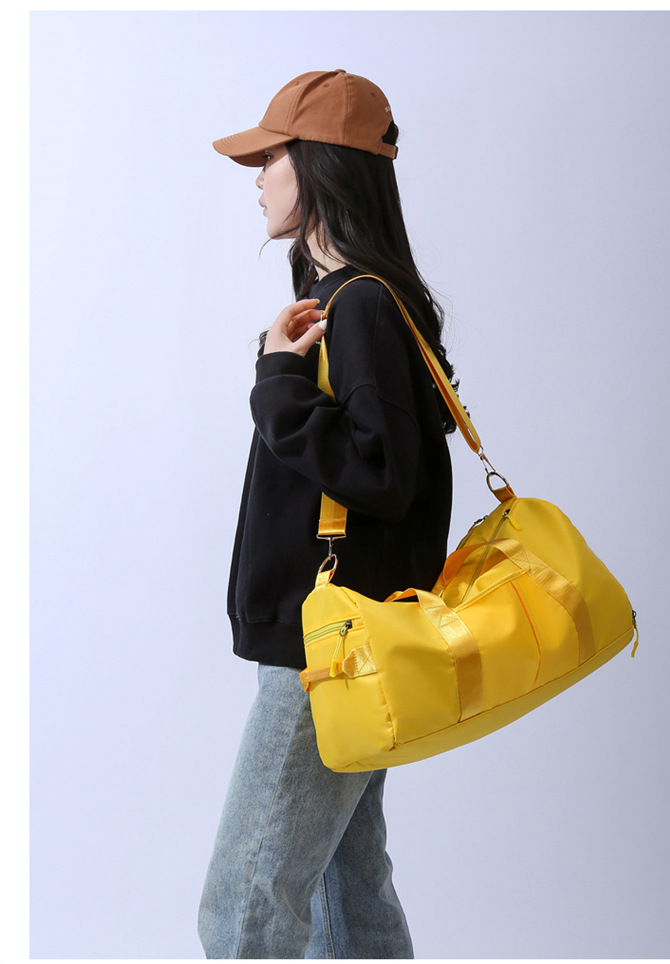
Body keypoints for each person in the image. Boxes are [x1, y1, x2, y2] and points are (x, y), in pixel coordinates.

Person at [198, 69, 456, 959]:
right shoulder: (358, 300)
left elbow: (380, 475)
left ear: (317, 163)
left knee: (246, 907)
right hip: (346, 637)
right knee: (348, 890)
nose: (258, 179)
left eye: (270, 157)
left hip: (328, 649)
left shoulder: (364, 305)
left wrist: (277, 381)